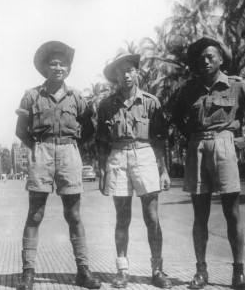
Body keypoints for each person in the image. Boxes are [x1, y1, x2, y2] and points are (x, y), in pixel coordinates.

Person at [172, 36, 245, 290]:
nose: (205, 61)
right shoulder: (190, 89)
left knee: (232, 213)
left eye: (211, 57)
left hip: (225, 146)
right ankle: (201, 272)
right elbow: (175, 115)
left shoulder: (236, 85)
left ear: (220, 59)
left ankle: (238, 274)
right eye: (201, 58)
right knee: (200, 215)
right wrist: (192, 137)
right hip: (197, 149)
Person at [15, 41, 100, 290]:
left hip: (69, 152)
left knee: (73, 215)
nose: (58, 67)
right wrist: (39, 149)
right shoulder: (32, 95)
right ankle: (28, 273)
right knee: (35, 214)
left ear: (68, 68)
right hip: (41, 151)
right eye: (53, 63)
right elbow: (21, 131)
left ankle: (83, 271)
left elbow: (89, 129)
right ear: (45, 68)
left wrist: (72, 148)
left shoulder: (77, 97)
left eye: (63, 63)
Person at [96, 53, 172, 289]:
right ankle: (122, 270)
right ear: (115, 76)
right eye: (121, 71)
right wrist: (102, 171)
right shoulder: (107, 105)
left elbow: (160, 140)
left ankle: (157, 270)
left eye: (130, 70)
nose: (126, 75)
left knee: (152, 217)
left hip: (145, 154)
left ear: (137, 72)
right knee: (122, 217)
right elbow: (100, 140)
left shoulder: (151, 102)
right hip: (118, 156)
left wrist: (164, 170)